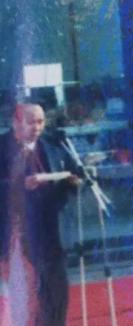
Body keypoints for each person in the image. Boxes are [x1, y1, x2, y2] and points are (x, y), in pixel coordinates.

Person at [0, 102, 80, 326]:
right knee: (26, 295)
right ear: (16, 122)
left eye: (41, 122)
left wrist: (74, 182)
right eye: (31, 122)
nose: (37, 127)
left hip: (52, 230)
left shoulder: (54, 144)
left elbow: (74, 174)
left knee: (56, 291)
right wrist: (20, 184)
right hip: (18, 232)